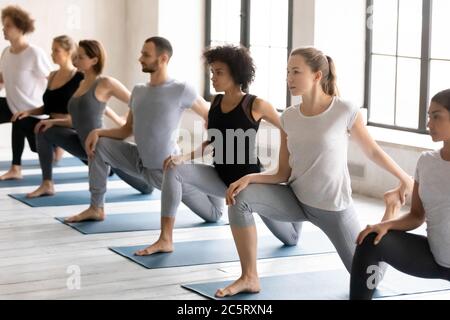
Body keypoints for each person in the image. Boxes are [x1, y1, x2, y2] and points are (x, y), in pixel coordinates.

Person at [215, 47, 414, 297]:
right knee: (239, 199)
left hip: (334, 210)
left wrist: (404, 178)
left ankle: (390, 211)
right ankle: (249, 277)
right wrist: (248, 178)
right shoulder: (288, 117)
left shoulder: (343, 110)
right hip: (296, 200)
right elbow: (282, 173)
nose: (289, 78)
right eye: (287, 72)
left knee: (368, 282)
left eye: (296, 72)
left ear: (318, 75)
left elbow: (372, 152)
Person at [134, 45, 300, 257]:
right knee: (174, 168)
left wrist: (283, 167)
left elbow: (289, 130)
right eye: (212, 72)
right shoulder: (217, 101)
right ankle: (165, 238)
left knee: (291, 238)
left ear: (236, 73)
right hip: (220, 177)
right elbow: (213, 140)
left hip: (248, 184)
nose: (213, 77)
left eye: (219, 72)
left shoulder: (255, 104)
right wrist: (183, 157)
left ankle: (291, 198)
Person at [65, 36, 213, 224]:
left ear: (163, 59)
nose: (140, 58)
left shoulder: (180, 89)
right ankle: (96, 208)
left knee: (214, 215)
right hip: (138, 163)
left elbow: (210, 115)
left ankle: (209, 178)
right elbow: (126, 130)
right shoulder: (139, 90)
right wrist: (98, 132)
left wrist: (201, 151)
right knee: (100, 145)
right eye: (141, 53)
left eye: (146, 54)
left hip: (167, 171)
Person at [350, 89, 450, 300]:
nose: (429, 124)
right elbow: (416, 216)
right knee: (370, 239)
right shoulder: (427, 161)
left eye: (436, 116)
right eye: (428, 116)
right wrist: (386, 225)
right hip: (433, 257)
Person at [26, 39, 137, 199]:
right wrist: (51, 122)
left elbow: (137, 101)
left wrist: (125, 126)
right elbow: (77, 121)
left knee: (145, 186)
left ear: (94, 60)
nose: (75, 60)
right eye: (75, 56)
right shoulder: (82, 84)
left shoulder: (106, 82)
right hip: (81, 143)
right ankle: (47, 184)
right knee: (43, 130)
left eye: (80, 57)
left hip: (101, 146)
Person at [10, 35, 83, 181]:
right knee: (19, 119)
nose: (52, 54)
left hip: (69, 126)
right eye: (52, 50)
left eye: (56, 50)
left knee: (99, 165)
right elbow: (48, 107)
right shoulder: (52, 75)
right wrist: (28, 112)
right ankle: (16, 167)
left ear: (68, 52)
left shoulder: (79, 77)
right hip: (49, 123)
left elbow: (82, 110)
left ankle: (108, 167)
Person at [0, 5, 52, 180]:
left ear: (21, 28)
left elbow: (52, 81)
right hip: (11, 106)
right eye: (3, 24)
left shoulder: (34, 53)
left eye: (8, 25)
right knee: (16, 116)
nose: (3, 29)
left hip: (32, 111)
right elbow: (2, 80)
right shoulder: (6, 52)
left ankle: (57, 146)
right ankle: (16, 168)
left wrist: (52, 110)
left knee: (36, 147)